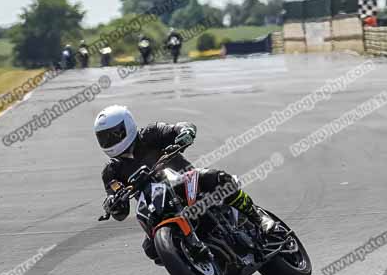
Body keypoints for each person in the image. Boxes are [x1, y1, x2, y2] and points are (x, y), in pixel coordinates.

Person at [94, 105, 275, 264]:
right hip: (156, 206)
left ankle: (258, 217)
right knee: (151, 249)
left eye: (113, 135)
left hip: (185, 183)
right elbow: (118, 203)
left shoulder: (150, 134)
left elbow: (180, 127)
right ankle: (189, 261)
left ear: (128, 126)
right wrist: (113, 203)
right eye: (104, 138)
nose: (109, 142)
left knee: (217, 178)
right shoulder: (111, 171)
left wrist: (185, 133)